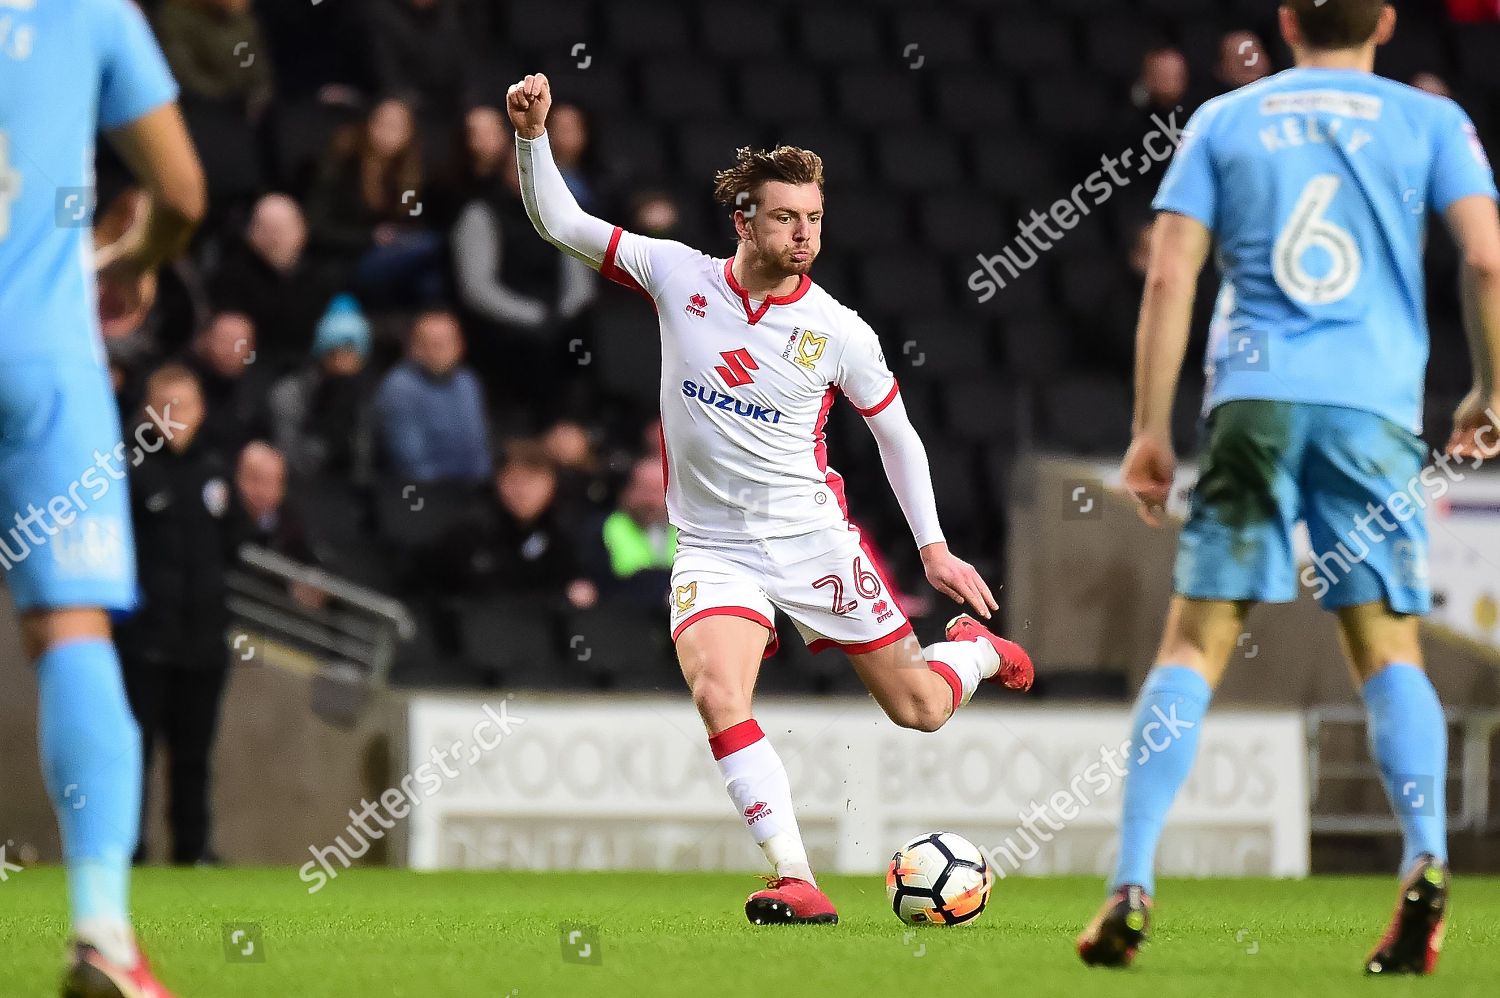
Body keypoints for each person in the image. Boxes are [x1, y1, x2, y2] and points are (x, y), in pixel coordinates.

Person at [508, 72, 1035, 925]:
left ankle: (970, 651)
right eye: (787, 216)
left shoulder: (840, 331)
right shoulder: (676, 274)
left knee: (920, 709)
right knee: (718, 691)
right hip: (714, 548)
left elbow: (898, 437)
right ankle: (796, 876)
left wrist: (933, 547)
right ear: (744, 219)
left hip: (812, 540)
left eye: (816, 218)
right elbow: (562, 223)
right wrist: (532, 137)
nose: (804, 234)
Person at [1077, 0, 1500, 976]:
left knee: (1194, 640)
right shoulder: (1430, 119)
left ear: (1286, 20)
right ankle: (1428, 855)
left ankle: (1131, 878)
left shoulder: (1226, 118)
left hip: (1255, 400)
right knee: (1388, 643)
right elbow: (1484, 254)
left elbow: (1170, 277)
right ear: (1385, 21)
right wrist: (1487, 386)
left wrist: (1149, 427)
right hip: (1373, 413)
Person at [0, 1, 203, 993]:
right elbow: (181, 190)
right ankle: (101, 932)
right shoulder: (90, 9)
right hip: (42, 360)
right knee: (72, 634)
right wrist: (133, 256)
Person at [117, 365, 238, 871]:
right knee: (134, 756)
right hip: (144, 641)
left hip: (204, 641)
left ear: (201, 410)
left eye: (184, 407)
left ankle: (193, 850)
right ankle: (129, 851)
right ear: (148, 411)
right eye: (165, 408)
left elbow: (233, 543)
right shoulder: (128, 469)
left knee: (194, 756)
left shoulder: (215, 470)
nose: (175, 419)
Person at [210, 193, 333, 373]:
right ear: (250, 233)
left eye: (281, 230)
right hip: (252, 367)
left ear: (302, 232)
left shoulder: (320, 276)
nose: (274, 239)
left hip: (309, 364)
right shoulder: (232, 276)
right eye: (265, 230)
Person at [267, 294, 377, 483]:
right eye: (337, 350)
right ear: (323, 352)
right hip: (305, 493)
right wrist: (327, 443)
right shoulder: (289, 394)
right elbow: (289, 465)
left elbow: (367, 466)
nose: (345, 360)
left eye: (353, 352)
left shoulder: (367, 394)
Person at [373, 310, 491, 484]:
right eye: (428, 343)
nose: (436, 351)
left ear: (460, 346)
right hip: (416, 491)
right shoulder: (399, 387)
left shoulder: (468, 382)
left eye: (445, 343)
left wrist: (482, 486)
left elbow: (478, 448)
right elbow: (410, 462)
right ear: (412, 348)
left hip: (468, 488)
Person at [581, 455, 677, 613]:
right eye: (643, 489)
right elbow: (597, 585)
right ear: (627, 491)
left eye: (657, 491)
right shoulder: (604, 529)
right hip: (622, 621)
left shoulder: (687, 532)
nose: (650, 501)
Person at [181, 310, 272, 462]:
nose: (231, 351)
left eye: (240, 344)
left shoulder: (256, 390)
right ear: (205, 340)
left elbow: (264, 441)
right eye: (225, 340)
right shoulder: (180, 380)